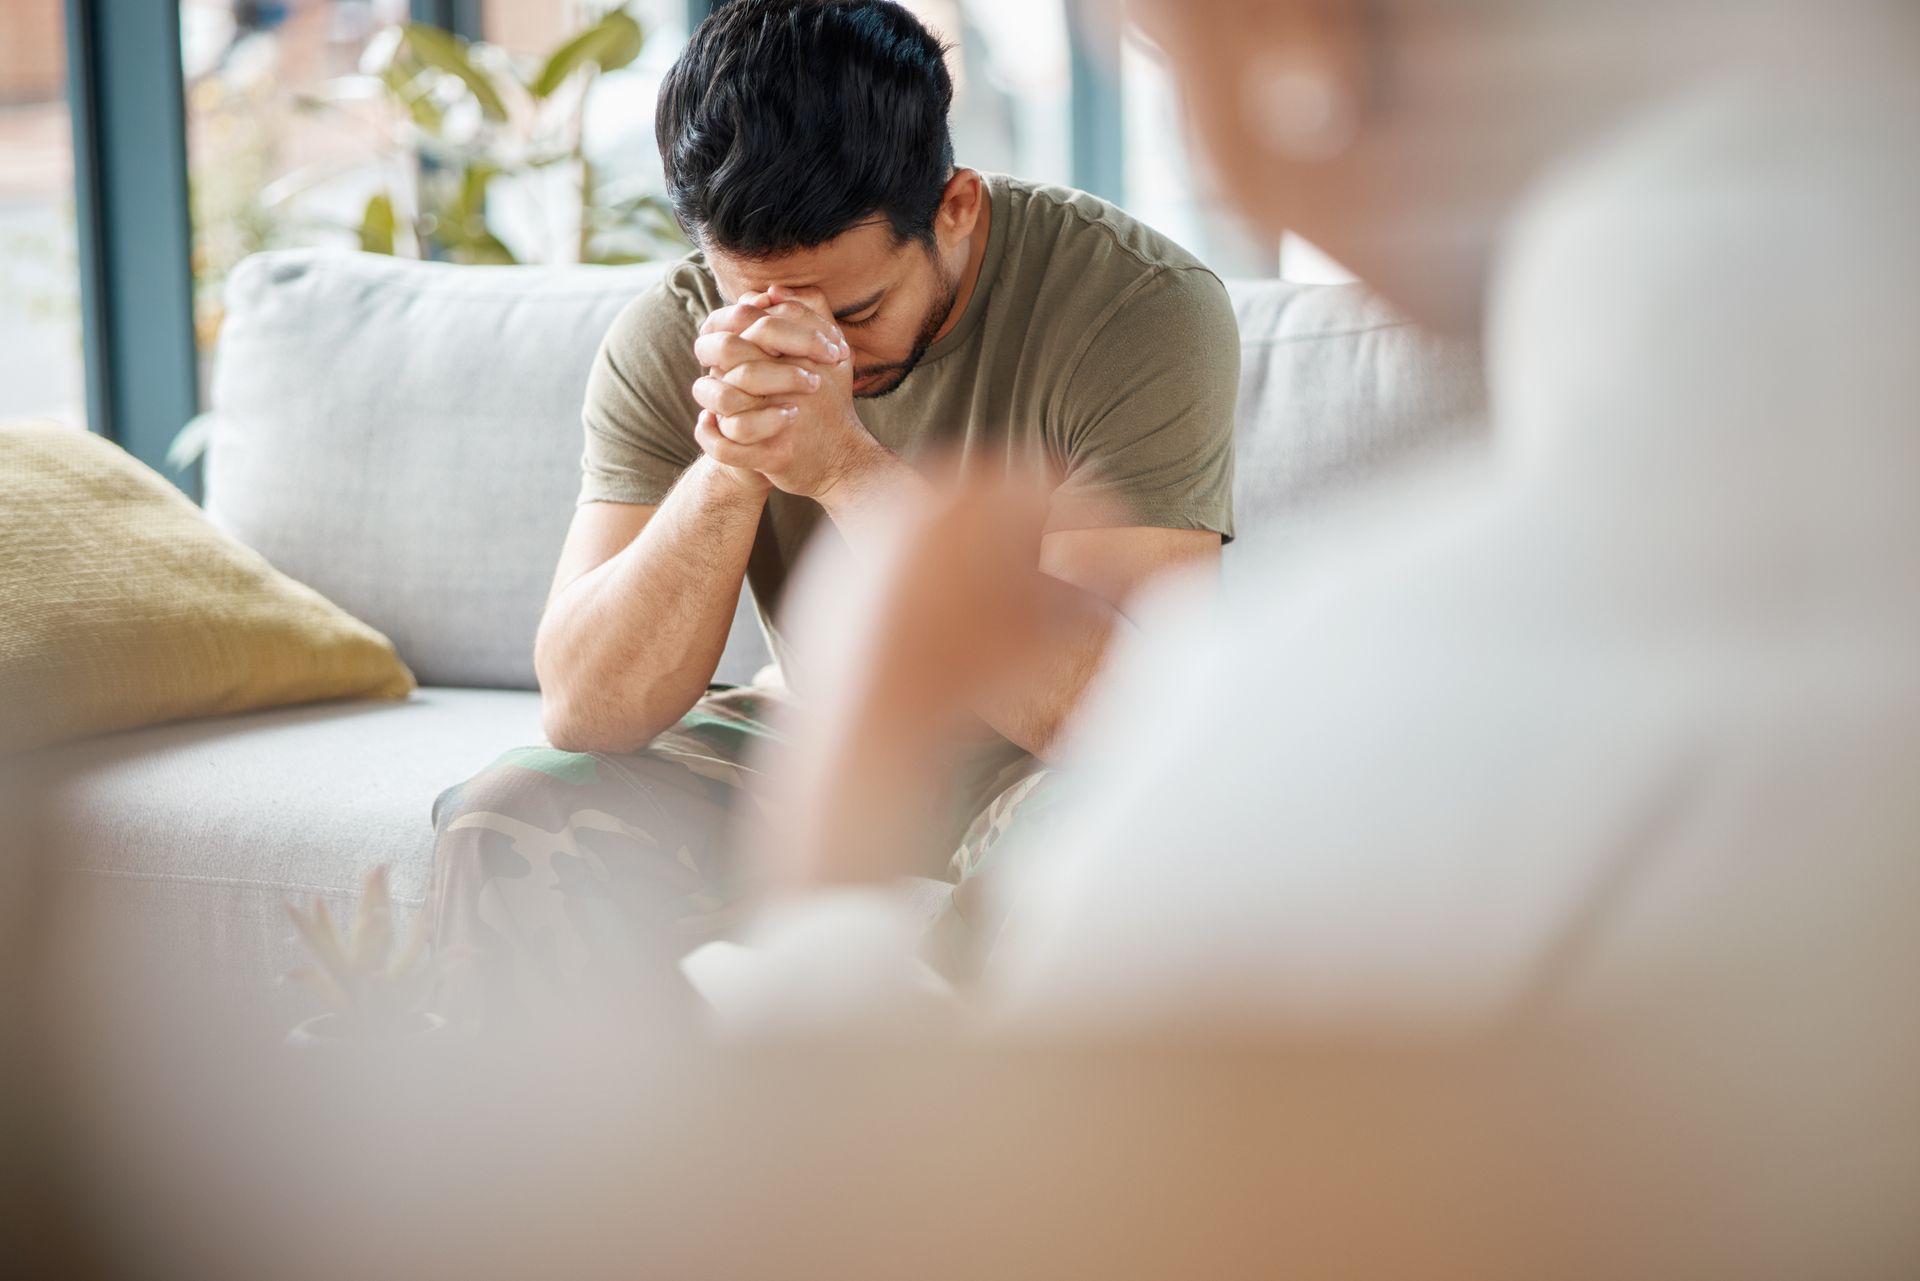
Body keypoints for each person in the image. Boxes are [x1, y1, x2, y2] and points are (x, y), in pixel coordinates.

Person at [715, 0, 1920, 1255]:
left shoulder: (1327, 743)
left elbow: (943, 1222)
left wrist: (839, 825)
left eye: (1157, 52)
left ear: (1307, 58)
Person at [426, 0, 1239, 1011]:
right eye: (759, 307)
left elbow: (1125, 717)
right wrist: (736, 459)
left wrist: (843, 467)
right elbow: (588, 707)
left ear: (956, 209)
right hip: (809, 733)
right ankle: (621, 1166)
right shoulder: (669, 333)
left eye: (856, 312)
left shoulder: (1136, 306)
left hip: (1034, 764)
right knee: (503, 820)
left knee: (1111, 836)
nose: (818, 352)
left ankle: (936, 1159)